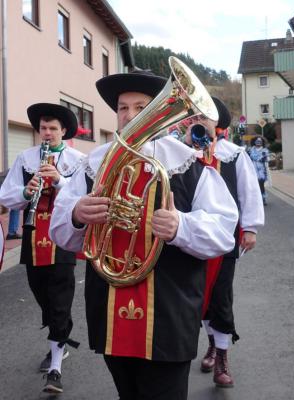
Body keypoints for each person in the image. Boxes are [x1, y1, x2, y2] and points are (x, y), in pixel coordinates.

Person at [49, 70, 239, 400]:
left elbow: (224, 231)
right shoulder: (95, 162)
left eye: (140, 107)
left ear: (157, 113)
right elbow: (59, 231)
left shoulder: (188, 163)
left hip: (170, 312)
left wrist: (181, 227)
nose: (129, 115)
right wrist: (77, 214)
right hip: (110, 311)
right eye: (123, 108)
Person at [0, 103, 85, 394]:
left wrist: (59, 180)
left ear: (64, 131)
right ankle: (59, 336)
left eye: (53, 128)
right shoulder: (26, 158)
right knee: (43, 296)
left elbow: (85, 193)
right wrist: (26, 191)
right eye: (43, 128)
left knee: (60, 298)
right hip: (33, 236)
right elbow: (6, 195)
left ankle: (55, 368)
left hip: (63, 235)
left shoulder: (77, 160)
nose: (47, 133)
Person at [183, 97, 264, 387]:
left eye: (205, 116)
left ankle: (222, 357)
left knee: (221, 297)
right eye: (194, 116)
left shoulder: (234, 154)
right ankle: (212, 344)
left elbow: (249, 191)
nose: (199, 121)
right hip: (187, 236)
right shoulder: (179, 152)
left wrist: (251, 228)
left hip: (224, 238)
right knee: (197, 296)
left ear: (217, 122)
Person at [248, 137, 269, 205]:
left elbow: (266, 159)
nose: (258, 142)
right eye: (257, 141)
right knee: (254, 185)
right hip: (253, 169)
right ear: (254, 142)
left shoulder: (264, 150)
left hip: (261, 170)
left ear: (262, 142)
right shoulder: (250, 150)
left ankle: (263, 198)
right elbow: (248, 159)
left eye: (260, 141)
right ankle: (256, 199)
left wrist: (263, 158)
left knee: (261, 184)